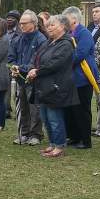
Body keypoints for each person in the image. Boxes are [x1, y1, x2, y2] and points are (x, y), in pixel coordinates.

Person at [26, 14, 76, 158]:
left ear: (63, 26)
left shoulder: (66, 44)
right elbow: (36, 57)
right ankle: (52, 143)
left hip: (56, 86)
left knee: (55, 118)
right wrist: (31, 68)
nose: (49, 28)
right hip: (43, 85)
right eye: (48, 25)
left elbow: (55, 63)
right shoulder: (48, 42)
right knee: (46, 118)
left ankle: (59, 146)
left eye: (52, 25)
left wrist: (37, 71)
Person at [61, 7, 97, 149]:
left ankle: (85, 139)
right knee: (71, 109)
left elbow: (80, 54)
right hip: (71, 78)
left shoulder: (84, 33)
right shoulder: (69, 33)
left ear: (74, 19)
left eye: (66, 18)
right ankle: (74, 136)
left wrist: (63, 61)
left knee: (82, 110)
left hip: (83, 77)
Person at [9, 11, 45, 144]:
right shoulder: (17, 39)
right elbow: (11, 57)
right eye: (20, 23)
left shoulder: (41, 39)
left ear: (34, 24)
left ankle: (36, 134)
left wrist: (20, 68)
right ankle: (24, 133)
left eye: (24, 23)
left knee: (34, 108)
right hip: (20, 79)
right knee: (23, 106)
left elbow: (36, 61)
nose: (21, 26)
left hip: (34, 79)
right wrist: (12, 67)